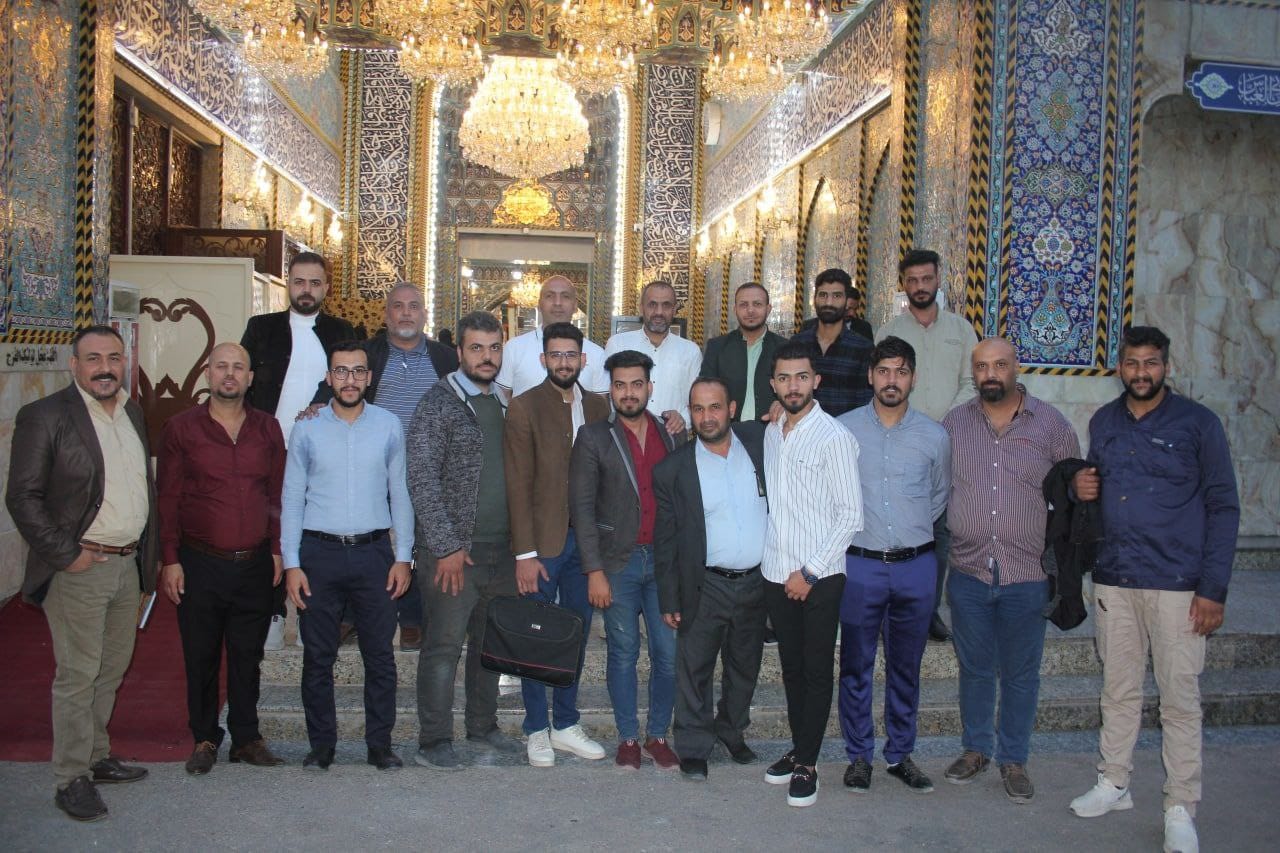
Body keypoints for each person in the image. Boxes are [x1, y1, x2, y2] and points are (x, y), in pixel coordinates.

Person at [1068, 326, 1239, 853]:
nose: (1141, 373)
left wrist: (1213, 589)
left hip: (1178, 585)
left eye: (1151, 363)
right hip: (1115, 579)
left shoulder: (1198, 423)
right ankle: (1114, 781)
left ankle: (1180, 806)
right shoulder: (1104, 421)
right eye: (1132, 363)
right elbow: (1096, 490)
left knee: (1179, 699)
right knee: (1118, 689)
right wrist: (1079, 487)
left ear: (1166, 366)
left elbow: (1223, 506)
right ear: (1118, 367)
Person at [6, 325, 157, 821]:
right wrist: (66, 554)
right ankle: (70, 777)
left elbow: (144, 491)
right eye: (93, 358)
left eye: (113, 357)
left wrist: (147, 566)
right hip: (81, 567)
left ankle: (95, 756)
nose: (105, 368)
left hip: (126, 565)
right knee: (77, 674)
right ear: (74, 365)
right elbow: (22, 497)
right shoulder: (46, 416)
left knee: (110, 668)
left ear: (124, 361)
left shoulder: (132, 412)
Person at [941, 337, 1079, 803]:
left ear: (1016, 367)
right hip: (969, 571)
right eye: (981, 366)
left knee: (1021, 674)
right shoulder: (955, 424)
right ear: (973, 372)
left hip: (1027, 574)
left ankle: (1014, 758)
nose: (990, 374)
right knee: (975, 669)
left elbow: (1072, 495)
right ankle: (976, 749)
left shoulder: (1051, 425)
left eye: (999, 365)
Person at [282, 342, 413, 771]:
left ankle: (380, 745)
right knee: (318, 657)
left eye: (358, 371)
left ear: (369, 378)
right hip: (318, 554)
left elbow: (401, 493)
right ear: (329, 378)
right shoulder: (307, 428)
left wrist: (404, 556)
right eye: (341, 371)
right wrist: (291, 563)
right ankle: (322, 746)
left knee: (380, 657)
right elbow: (292, 498)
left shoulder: (389, 425)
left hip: (375, 554)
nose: (350, 380)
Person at [157, 343, 287, 776]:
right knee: (201, 655)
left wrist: (276, 549)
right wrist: (170, 558)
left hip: (254, 563)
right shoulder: (181, 429)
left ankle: (246, 738)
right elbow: (168, 497)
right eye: (221, 367)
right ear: (207, 374)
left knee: (248, 655)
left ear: (250, 378)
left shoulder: (267, 429)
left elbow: (276, 494)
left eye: (238, 368)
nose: (229, 374)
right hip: (199, 563)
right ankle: (205, 737)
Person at [308, 283, 458, 652]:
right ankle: (351, 616)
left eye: (414, 306)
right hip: (372, 467)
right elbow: (339, 383)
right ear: (386, 314)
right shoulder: (369, 353)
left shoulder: (445, 358)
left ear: (424, 314)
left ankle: (412, 619)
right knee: (369, 542)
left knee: (418, 543)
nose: (406, 313)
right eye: (398, 306)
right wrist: (316, 405)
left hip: (429, 471)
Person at [406, 311, 522, 769]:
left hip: (503, 551)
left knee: (489, 647)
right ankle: (434, 740)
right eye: (477, 348)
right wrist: (446, 547)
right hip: (454, 554)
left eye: (494, 348)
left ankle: (482, 727)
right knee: (443, 648)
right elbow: (421, 480)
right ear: (459, 352)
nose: (486, 357)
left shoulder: (508, 403)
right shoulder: (438, 403)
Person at [836, 337, 950, 794]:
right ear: (870, 376)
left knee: (906, 666)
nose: (891, 380)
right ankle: (859, 756)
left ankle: (900, 754)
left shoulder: (934, 436)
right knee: (856, 665)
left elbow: (937, 497)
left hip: (915, 567)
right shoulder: (843, 431)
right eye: (884, 371)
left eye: (901, 372)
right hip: (860, 565)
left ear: (913, 379)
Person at [760, 340, 864, 808]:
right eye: (784, 378)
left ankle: (808, 764)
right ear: (773, 384)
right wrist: (785, 572)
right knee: (792, 669)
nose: (793, 386)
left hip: (818, 576)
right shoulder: (773, 431)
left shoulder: (833, 437)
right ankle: (800, 746)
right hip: (776, 572)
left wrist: (810, 572)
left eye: (801, 377)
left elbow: (851, 516)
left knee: (817, 670)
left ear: (816, 381)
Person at [504, 322, 610, 767]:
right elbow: (517, 483)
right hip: (543, 545)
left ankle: (565, 724)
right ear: (543, 359)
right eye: (556, 355)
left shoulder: (601, 406)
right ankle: (535, 728)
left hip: (585, 545)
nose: (564, 362)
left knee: (575, 634)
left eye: (571, 355)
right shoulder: (525, 406)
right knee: (535, 637)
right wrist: (524, 554)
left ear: (583, 360)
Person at [570, 349, 682, 770]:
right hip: (618, 564)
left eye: (637, 384)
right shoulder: (593, 437)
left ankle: (658, 734)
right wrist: (594, 571)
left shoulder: (672, 433)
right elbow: (582, 509)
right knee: (623, 652)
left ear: (650, 388)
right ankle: (629, 738)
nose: (629, 393)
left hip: (664, 564)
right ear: (611, 390)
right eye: (620, 385)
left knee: (667, 654)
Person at [240, 251, 357, 651]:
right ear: (288, 284)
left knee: (319, 533)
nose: (307, 290)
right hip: (269, 448)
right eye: (299, 282)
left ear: (326, 288)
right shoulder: (261, 328)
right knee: (270, 529)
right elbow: (244, 380)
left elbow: (352, 378)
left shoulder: (341, 330)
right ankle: (272, 612)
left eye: (315, 283)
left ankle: (318, 614)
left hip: (323, 450)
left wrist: (323, 399)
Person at [654, 378, 769, 781]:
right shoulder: (673, 470)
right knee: (695, 670)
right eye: (698, 409)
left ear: (732, 409)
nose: (707, 417)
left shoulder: (759, 444)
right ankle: (693, 746)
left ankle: (731, 730)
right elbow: (665, 540)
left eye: (715, 407)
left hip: (756, 583)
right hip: (705, 585)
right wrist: (669, 598)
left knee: (745, 667)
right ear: (690, 412)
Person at [878, 248, 979, 643]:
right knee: (898, 525)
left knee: (939, 532)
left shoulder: (961, 330)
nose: (920, 286)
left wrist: (942, 426)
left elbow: (971, 382)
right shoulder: (890, 333)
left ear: (938, 280)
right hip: (900, 446)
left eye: (926, 279)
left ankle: (929, 609)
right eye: (913, 280)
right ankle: (891, 607)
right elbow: (883, 387)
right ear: (903, 284)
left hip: (948, 443)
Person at [604, 280, 702, 437]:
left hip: (672, 438)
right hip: (625, 437)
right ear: (641, 307)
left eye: (666, 305)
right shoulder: (618, 344)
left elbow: (697, 399)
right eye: (652, 305)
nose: (659, 312)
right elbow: (608, 396)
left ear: (675, 309)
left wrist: (682, 419)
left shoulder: (690, 351)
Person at [496, 274, 607, 397]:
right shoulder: (514, 348)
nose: (557, 303)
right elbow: (502, 398)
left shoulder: (597, 354)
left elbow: (600, 405)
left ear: (575, 305)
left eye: (565, 296)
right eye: (550, 296)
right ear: (539, 304)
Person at [789, 268, 873, 417]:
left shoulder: (863, 348)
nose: (829, 302)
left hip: (845, 430)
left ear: (846, 302)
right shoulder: (797, 344)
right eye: (823, 295)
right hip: (802, 429)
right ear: (814, 299)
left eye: (837, 296)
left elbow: (865, 405)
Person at [699, 282, 786, 422]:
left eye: (757, 304)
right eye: (744, 305)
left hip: (772, 428)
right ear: (735, 310)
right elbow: (704, 391)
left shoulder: (785, 348)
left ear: (768, 309)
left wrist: (783, 404)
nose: (750, 310)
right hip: (728, 430)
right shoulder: (717, 347)